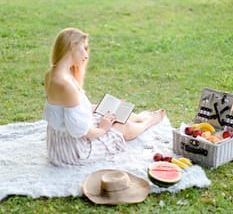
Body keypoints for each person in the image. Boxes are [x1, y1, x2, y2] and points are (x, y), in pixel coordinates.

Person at [44, 28, 166, 166]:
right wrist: (103, 128)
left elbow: (69, 111)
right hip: (73, 150)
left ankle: (139, 117)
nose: (86, 55)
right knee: (121, 128)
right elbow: (81, 132)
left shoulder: (53, 73)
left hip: (58, 142)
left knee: (113, 114)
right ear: (71, 47)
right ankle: (148, 122)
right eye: (84, 48)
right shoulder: (66, 86)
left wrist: (106, 107)